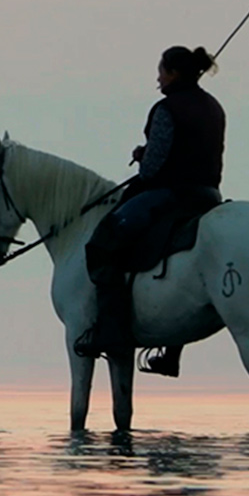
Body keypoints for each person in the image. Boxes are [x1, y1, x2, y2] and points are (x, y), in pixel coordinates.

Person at [74, 46, 226, 368]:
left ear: (173, 73)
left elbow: (152, 170)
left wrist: (143, 155)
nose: (157, 77)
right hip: (209, 196)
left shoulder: (166, 109)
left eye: (161, 70)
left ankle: (109, 332)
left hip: (171, 194)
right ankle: (171, 351)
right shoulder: (214, 107)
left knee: (104, 243)